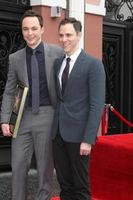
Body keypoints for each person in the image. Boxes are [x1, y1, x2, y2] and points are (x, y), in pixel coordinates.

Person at [0, 9, 63, 200]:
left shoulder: (57, 53)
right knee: (18, 164)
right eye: (25, 29)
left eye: (34, 28)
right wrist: (4, 120)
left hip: (48, 115)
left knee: (45, 166)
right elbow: (10, 91)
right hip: (22, 117)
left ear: (42, 29)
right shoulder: (15, 58)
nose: (30, 33)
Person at [52, 18, 105, 200]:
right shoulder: (58, 64)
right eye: (61, 35)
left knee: (81, 187)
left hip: (79, 136)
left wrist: (88, 139)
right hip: (58, 134)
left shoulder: (93, 64)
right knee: (65, 185)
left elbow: (96, 105)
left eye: (69, 35)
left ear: (79, 35)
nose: (64, 39)